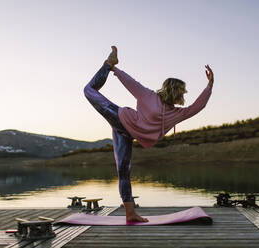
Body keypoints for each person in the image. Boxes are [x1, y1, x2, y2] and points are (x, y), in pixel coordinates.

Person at [84, 46, 214, 222]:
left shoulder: (177, 114)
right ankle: (108, 63)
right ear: (174, 91)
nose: (184, 94)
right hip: (120, 118)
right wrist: (115, 69)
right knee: (88, 90)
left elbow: (198, 106)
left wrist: (209, 85)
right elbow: (131, 83)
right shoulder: (149, 96)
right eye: (182, 91)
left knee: (124, 172)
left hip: (125, 134)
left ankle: (130, 214)